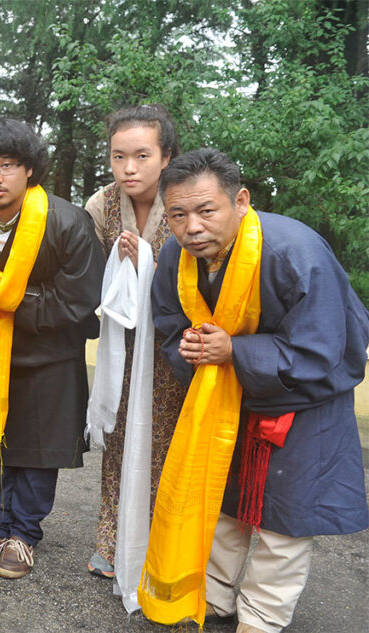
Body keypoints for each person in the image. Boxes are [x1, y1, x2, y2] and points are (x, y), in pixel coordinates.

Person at [142, 148, 369, 633]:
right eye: (178, 215)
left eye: (207, 210)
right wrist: (194, 349)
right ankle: (216, 597)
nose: (192, 228)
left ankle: (262, 619)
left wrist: (235, 353)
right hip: (222, 398)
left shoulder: (294, 251)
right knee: (221, 507)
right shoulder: (172, 257)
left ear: (240, 201)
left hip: (303, 404)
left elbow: (322, 347)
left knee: (282, 524)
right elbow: (168, 328)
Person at [0, 116, 103, 579]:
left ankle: (25, 533)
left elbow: (79, 300)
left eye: (7, 165)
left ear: (29, 169)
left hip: (47, 356)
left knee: (36, 449)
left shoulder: (67, 222)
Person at [82, 105, 187, 590]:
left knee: (168, 440)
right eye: (119, 156)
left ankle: (163, 542)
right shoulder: (101, 206)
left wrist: (148, 261)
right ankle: (111, 535)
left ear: (165, 157)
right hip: (122, 344)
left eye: (142, 156)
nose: (129, 168)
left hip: (174, 346)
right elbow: (87, 275)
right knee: (120, 436)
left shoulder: (186, 200)